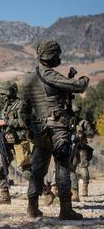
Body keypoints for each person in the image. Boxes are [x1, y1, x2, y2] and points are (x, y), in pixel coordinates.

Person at [20, 40, 89, 220]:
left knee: (37, 169)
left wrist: (30, 129)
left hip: (40, 130)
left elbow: (23, 110)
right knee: (63, 167)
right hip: (58, 130)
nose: (59, 57)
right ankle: (66, 209)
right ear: (51, 56)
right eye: (57, 54)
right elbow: (79, 86)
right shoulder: (51, 75)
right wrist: (83, 80)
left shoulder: (28, 79)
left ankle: (32, 208)